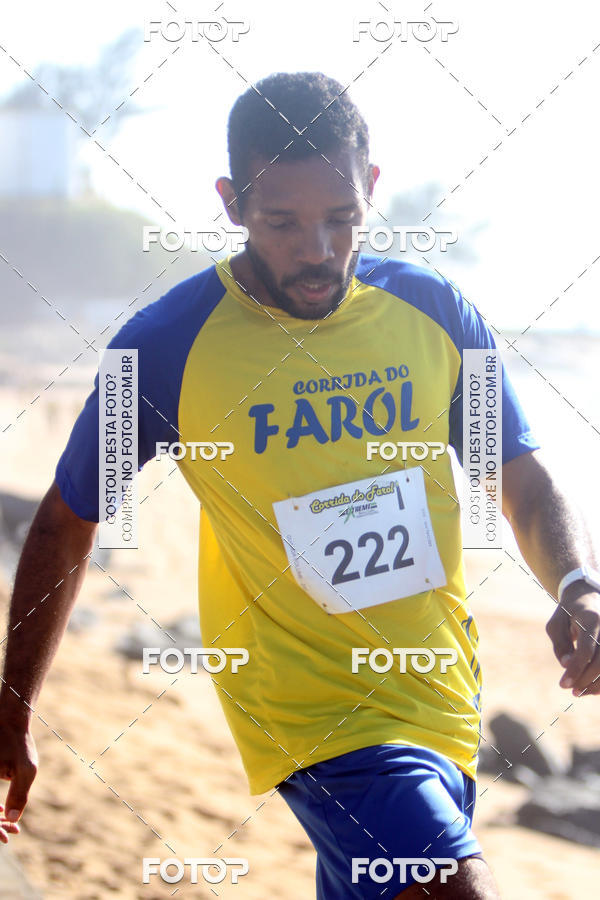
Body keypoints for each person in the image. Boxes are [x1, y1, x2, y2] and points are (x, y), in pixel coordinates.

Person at [1, 71, 600, 899]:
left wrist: (576, 583)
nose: (317, 249)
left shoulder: (435, 311)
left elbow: (518, 473)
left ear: (373, 191)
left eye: (341, 219)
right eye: (282, 222)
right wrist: (13, 702)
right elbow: (67, 518)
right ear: (232, 202)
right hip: (313, 718)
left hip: (440, 698)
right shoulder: (164, 347)